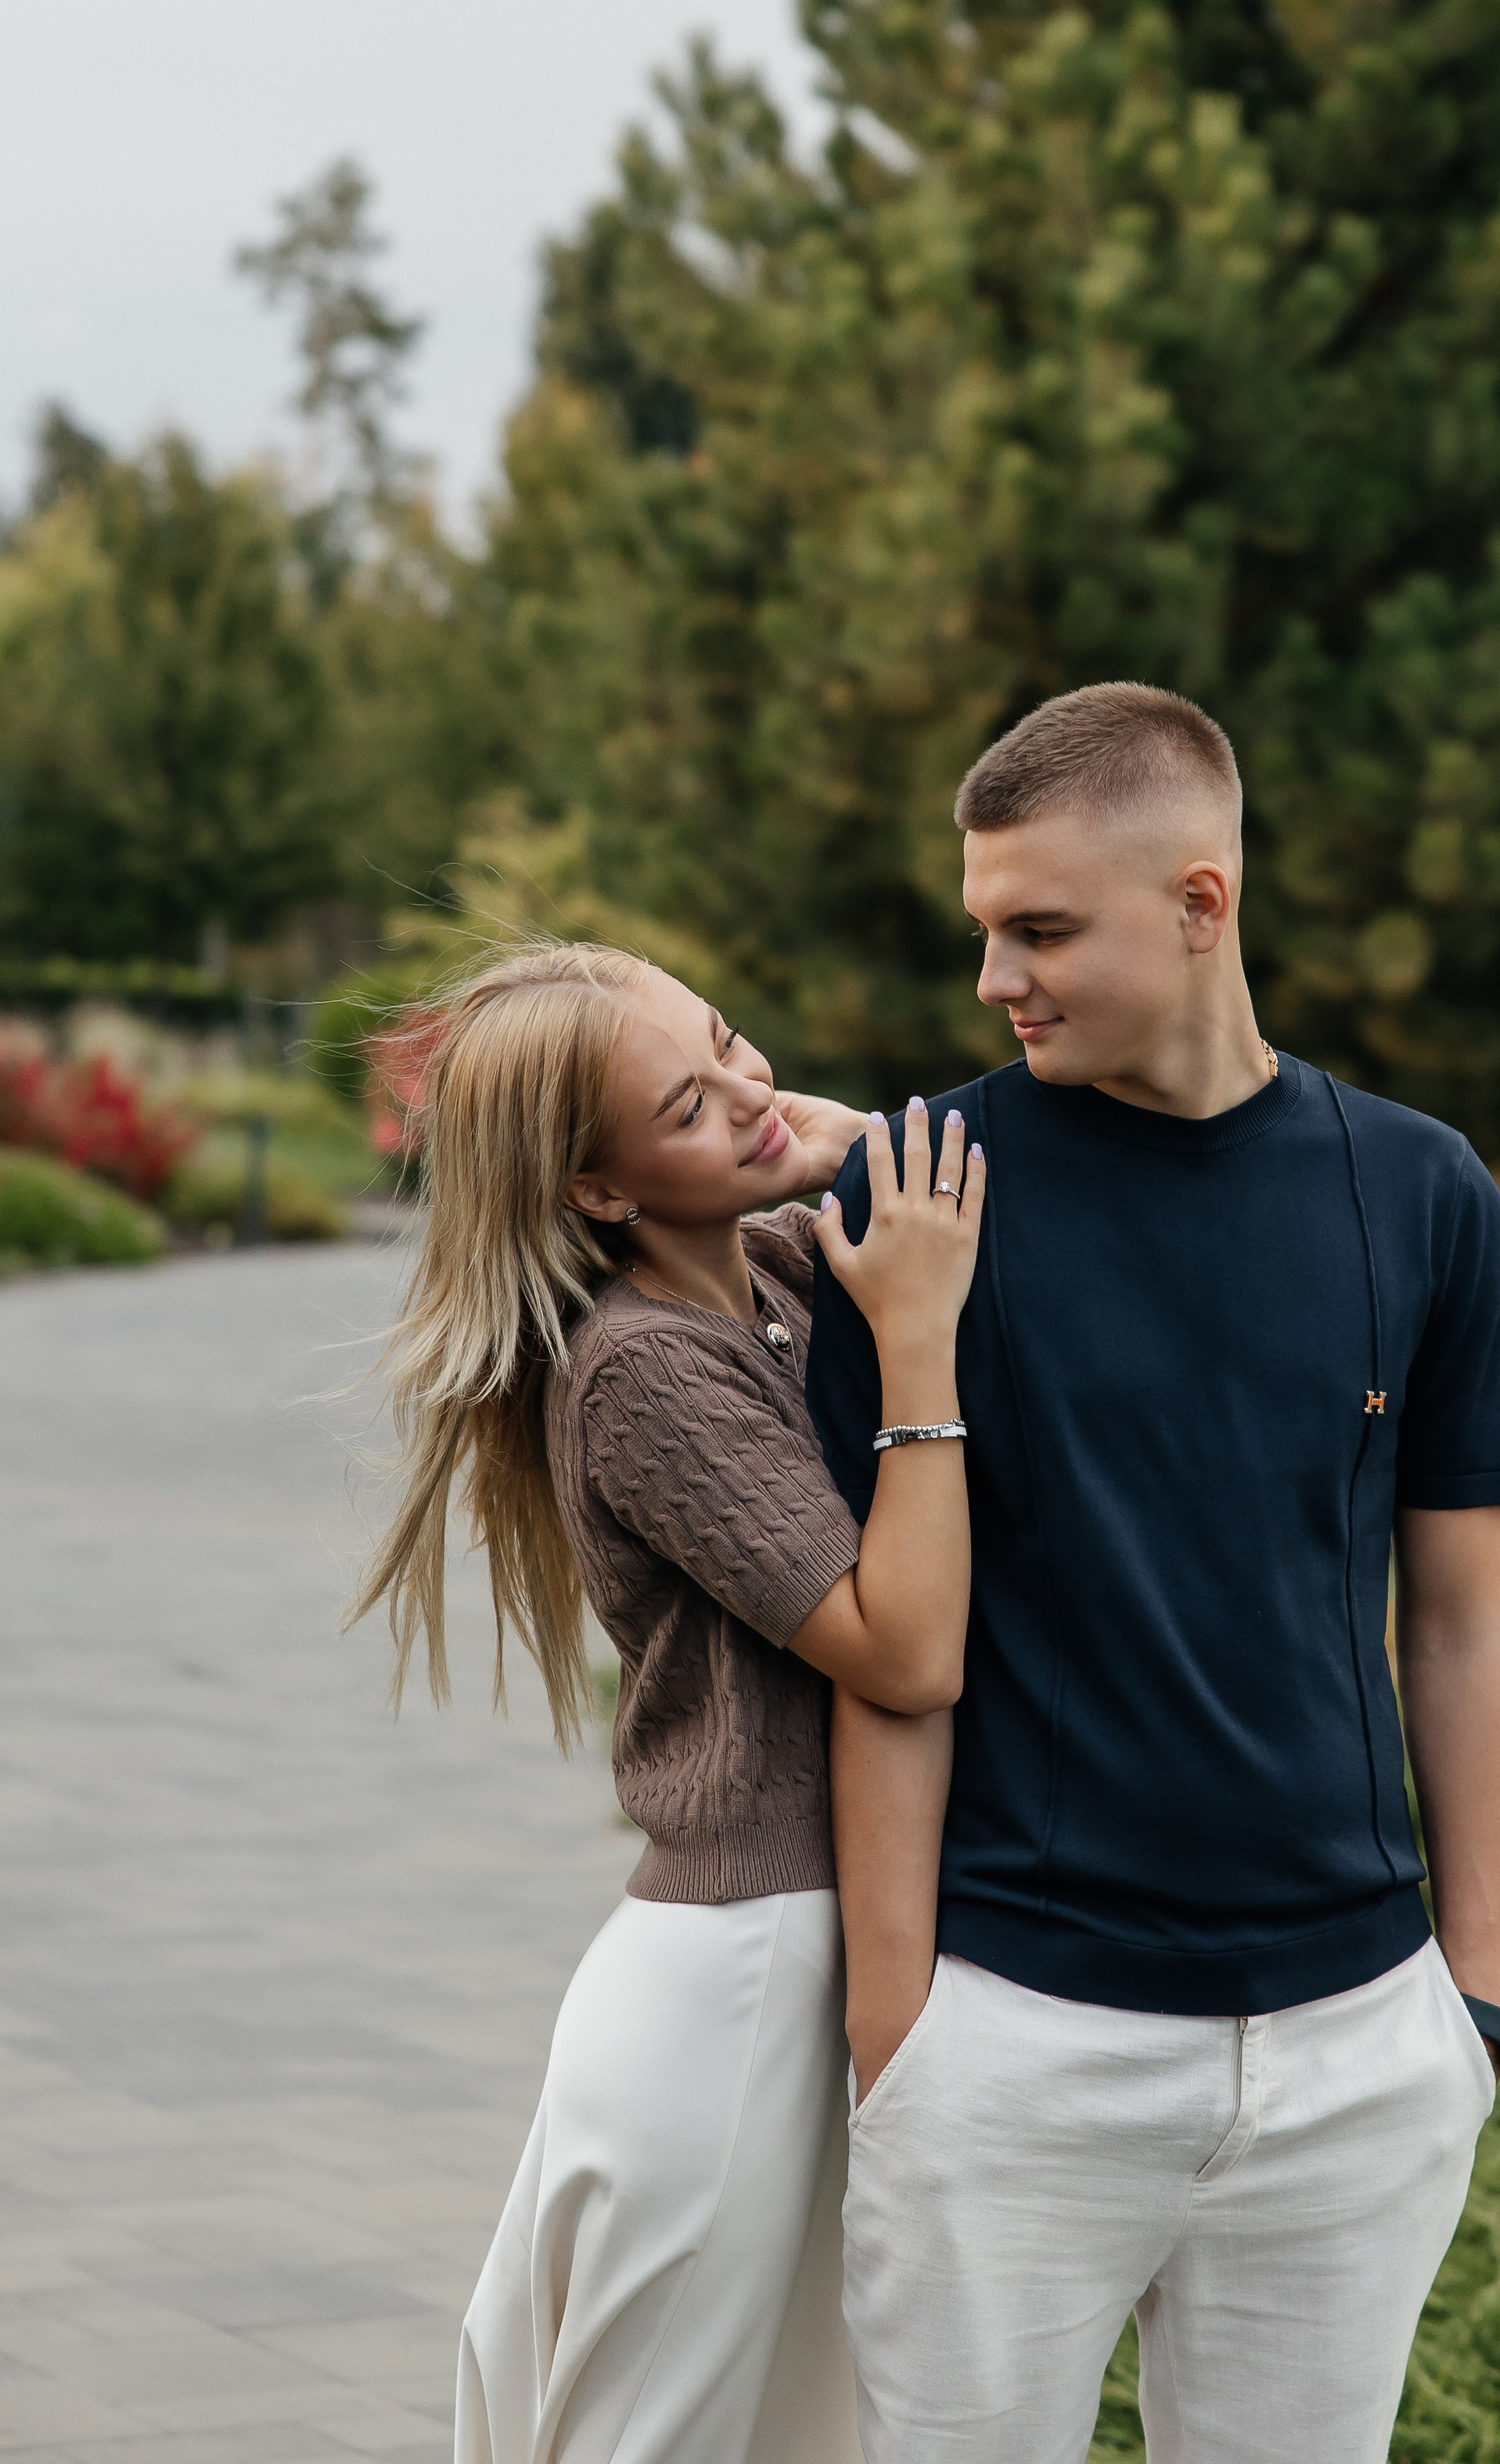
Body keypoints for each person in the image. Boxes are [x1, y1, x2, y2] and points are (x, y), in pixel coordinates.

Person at [808, 683, 1500, 2464]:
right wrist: (898, 2040)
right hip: (1014, 2038)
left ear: (1198, 901)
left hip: (1356, 2048)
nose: (996, 976)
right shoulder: (914, 1194)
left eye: (1040, 928)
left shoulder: (1421, 1190)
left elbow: (1457, 1609)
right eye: (983, 929)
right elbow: (886, 1648)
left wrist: (1474, 1997)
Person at [348, 942, 983, 2464]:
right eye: (690, 1107)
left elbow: (845, 1151)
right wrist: (915, 1342)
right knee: (670, 2432)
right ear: (599, 1192)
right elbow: (902, 1652)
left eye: (734, 1041)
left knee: (769, 2422)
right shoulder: (637, 1369)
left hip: (780, 1952)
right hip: (741, 1977)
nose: (754, 1096)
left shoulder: (763, 1273)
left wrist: (794, 1135)